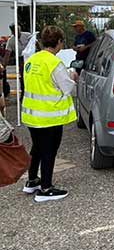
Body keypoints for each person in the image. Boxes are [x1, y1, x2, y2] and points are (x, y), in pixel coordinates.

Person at [21, 25, 77, 202]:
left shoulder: (31, 60)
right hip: (49, 116)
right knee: (49, 151)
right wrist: (72, 76)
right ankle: (46, 188)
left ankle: (32, 180)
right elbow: (67, 87)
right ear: (59, 42)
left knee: (37, 148)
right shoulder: (54, 63)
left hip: (31, 114)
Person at [3, 23, 32, 98]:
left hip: (31, 57)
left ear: (20, 28)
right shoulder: (11, 41)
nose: (16, 32)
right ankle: (23, 93)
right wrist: (3, 66)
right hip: (21, 58)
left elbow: (36, 43)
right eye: (14, 30)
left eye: (17, 29)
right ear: (12, 31)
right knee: (22, 76)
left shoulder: (28, 35)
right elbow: (7, 54)